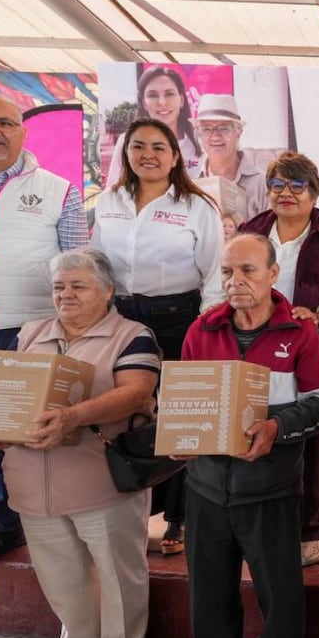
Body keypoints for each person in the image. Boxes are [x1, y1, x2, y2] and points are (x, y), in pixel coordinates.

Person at [0, 248, 160, 638]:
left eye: (79, 285)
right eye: (59, 286)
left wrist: (73, 416)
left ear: (108, 290)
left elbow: (136, 392)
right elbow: (1, 391)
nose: (66, 294)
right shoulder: (28, 334)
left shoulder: (131, 335)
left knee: (119, 576)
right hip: (31, 485)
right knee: (61, 577)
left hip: (101, 482)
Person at [182, 233, 319, 638]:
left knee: (282, 604)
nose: (235, 281)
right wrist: (182, 435)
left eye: (247, 270)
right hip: (206, 490)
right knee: (208, 603)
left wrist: (276, 427)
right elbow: (185, 400)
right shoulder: (202, 329)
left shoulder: (301, 333)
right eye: (228, 271)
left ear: (273, 273)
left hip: (270, 491)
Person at [0, 89, 88, 555]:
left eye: (5, 123)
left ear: (22, 131)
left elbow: (79, 264)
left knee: (6, 440)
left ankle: (8, 526)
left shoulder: (58, 190)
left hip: (27, 334)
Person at [92, 117, 224, 555]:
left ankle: (179, 517)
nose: (147, 154)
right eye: (138, 146)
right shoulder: (108, 202)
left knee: (177, 418)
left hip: (178, 317)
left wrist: (204, 328)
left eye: (158, 147)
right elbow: (94, 262)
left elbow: (215, 273)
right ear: (126, 152)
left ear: (175, 157)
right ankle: (131, 509)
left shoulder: (196, 206)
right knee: (126, 415)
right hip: (120, 318)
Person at [239, 151, 319, 566]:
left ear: (314, 193)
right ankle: (258, 526)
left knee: (313, 443)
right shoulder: (250, 232)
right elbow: (218, 285)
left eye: (298, 186)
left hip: (318, 355)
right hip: (256, 355)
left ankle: (311, 528)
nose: (286, 193)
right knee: (254, 436)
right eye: (278, 185)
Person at [106, 65, 201, 186]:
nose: (162, 102)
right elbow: (113, 194)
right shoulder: (127, 142)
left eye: (169, 94)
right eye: (153, 95)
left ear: (182, 100)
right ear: (144, 103)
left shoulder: (199, 145)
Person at [194, 93, 281, 222]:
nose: (215, 136)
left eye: (224, 129)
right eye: (207, 129)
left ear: (239, 131)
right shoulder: (190, 183)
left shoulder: (261, 184)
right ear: (199, 133)